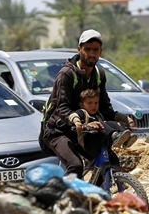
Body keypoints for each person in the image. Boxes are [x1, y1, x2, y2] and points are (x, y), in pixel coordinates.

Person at [40, 29, 136, 176]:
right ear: (79, 50)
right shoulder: (66, 74)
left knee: (109, 162)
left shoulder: (99, 74)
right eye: (87, 49)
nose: (91, 54)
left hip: (85, 130)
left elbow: (103, 107)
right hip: (58, 131)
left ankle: (100, 196)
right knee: (75, 166)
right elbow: (62, 108)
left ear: (100, 51)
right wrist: (78, 122)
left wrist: (122, 119)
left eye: (95, 50)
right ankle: (65, 198)